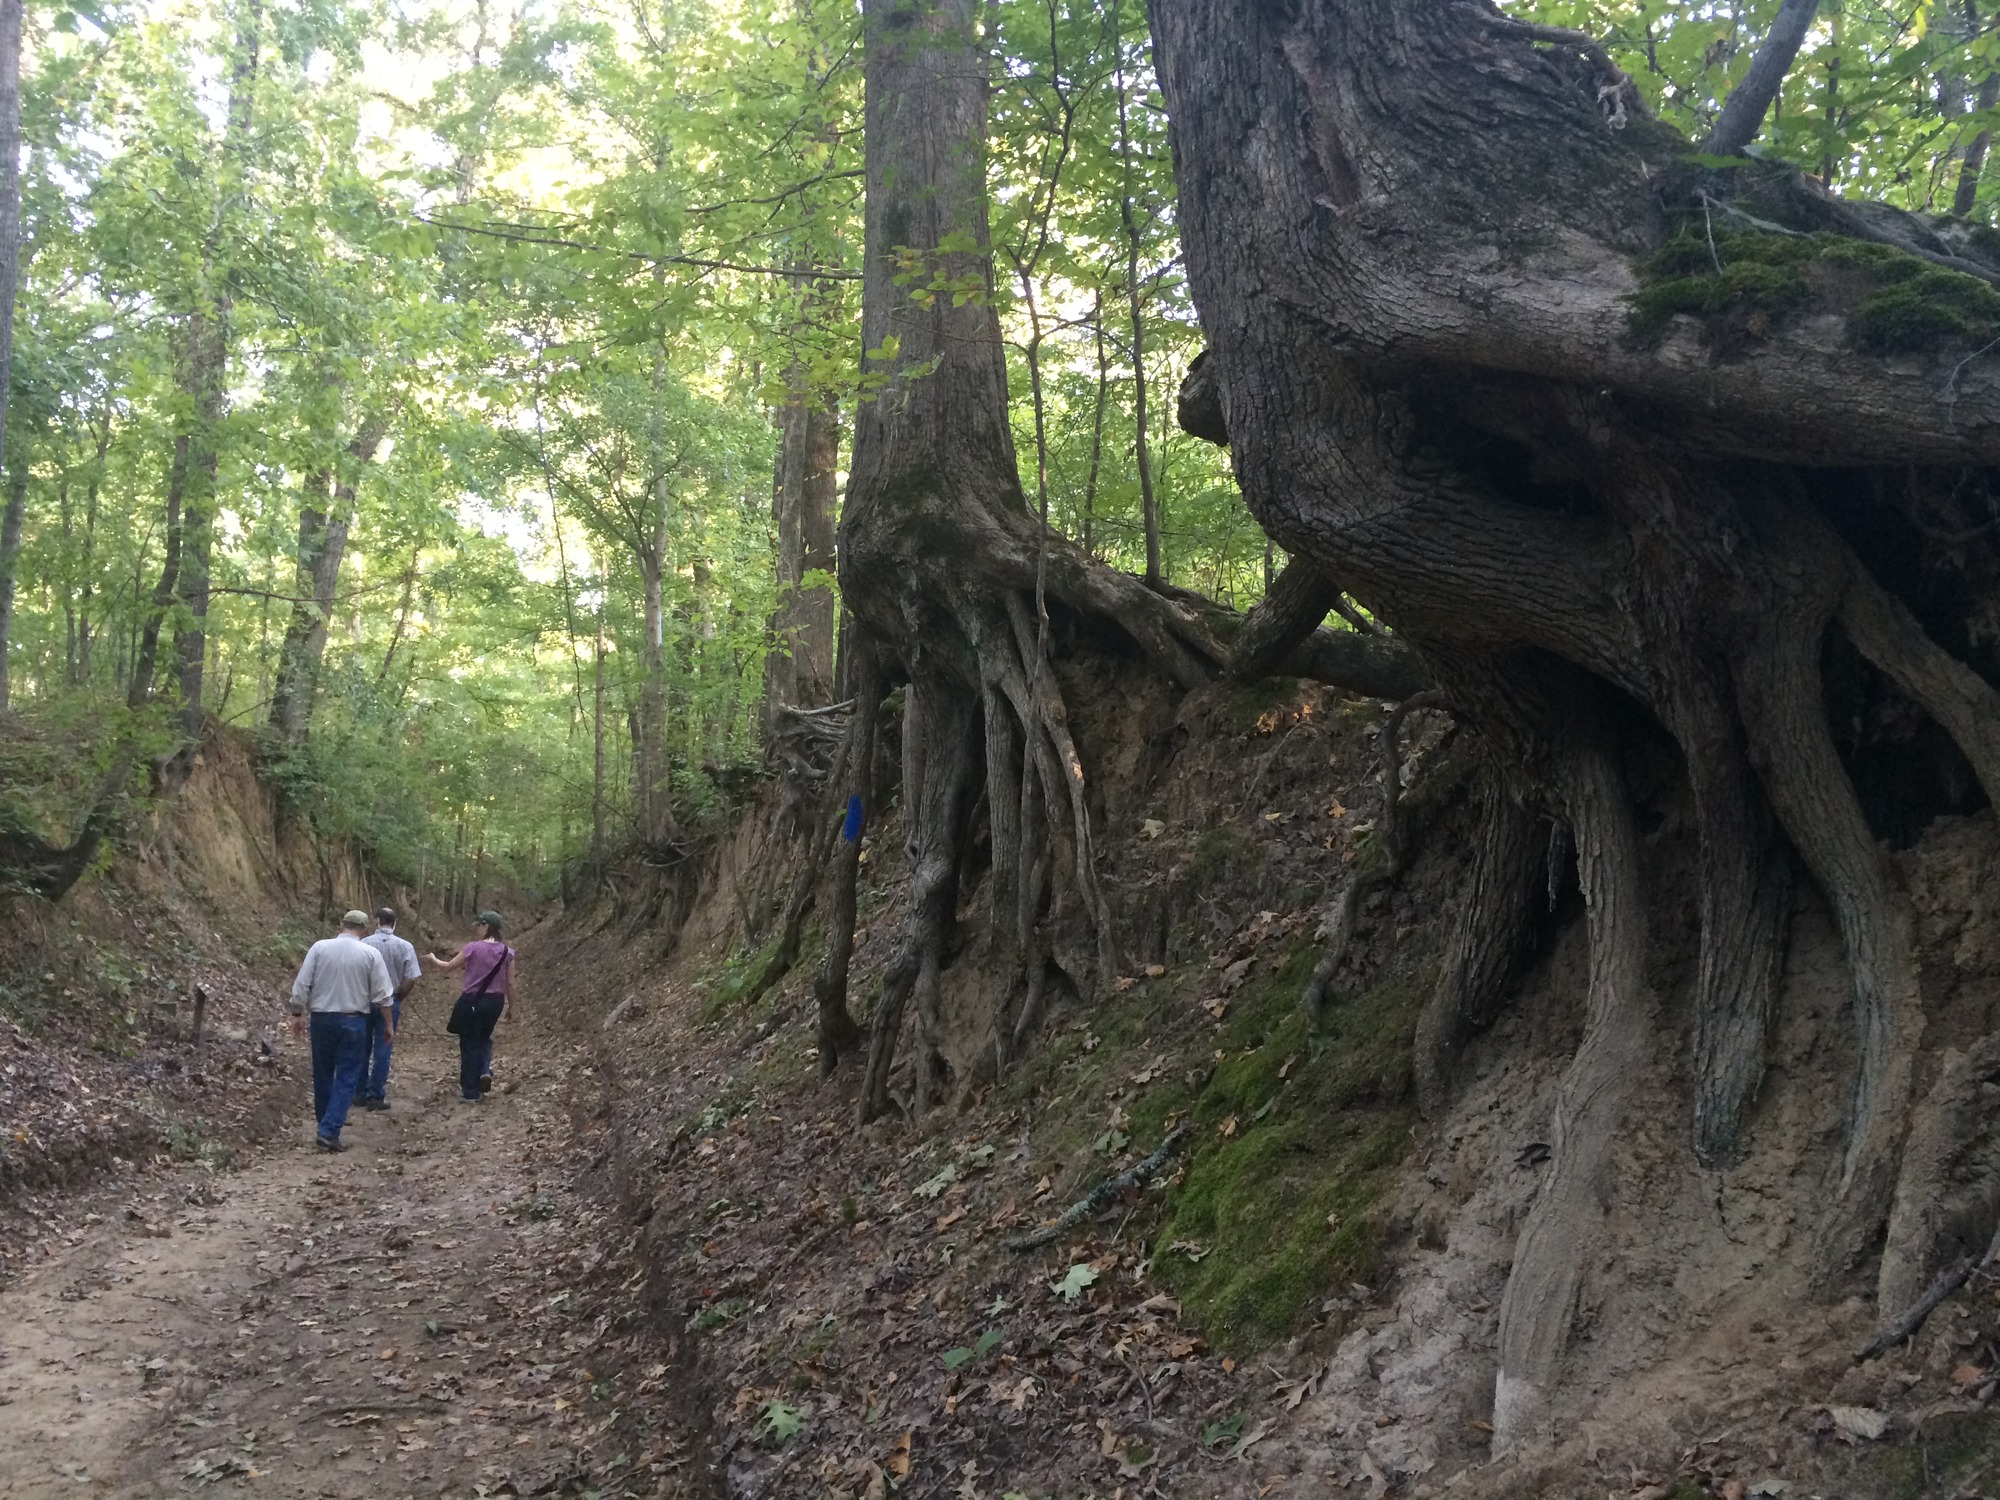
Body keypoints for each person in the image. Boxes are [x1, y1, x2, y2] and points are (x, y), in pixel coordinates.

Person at [289, 911, 395, 1151]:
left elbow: (302, 983)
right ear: (365, 930)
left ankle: (326, 1123)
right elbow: (383, 995)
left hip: (321, 1020)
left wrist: (297, 1013)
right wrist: (388, 1025)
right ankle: (329, 1129)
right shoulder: (370, 953)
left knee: (323, 1073)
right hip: (353, 1021)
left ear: (341, 925)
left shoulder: (319, 948)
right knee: (347, 1076)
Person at [426, 911, 514, 1104]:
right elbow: (510, 984)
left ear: (486, 926)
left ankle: (470, 1092)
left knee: (469, 1043)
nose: (476, 929)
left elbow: (448, 967)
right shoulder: (507, 952)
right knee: (484, 1038)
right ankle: (484, 1071)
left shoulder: (473, 948)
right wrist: (512, 1008)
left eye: (478, 926)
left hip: (472, 1001)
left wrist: (433, 959)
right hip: (496, 1003)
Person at [359, 906, 422, 1111]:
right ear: (394, 923)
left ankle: (359, 1091)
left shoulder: (364, 944)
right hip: (390, 999)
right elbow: (412, 977)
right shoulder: (405, 946)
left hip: (365, 1000)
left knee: (362, 1046)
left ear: (377, 922)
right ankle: (375, 1094)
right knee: (383, 1047)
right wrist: (399, 996)